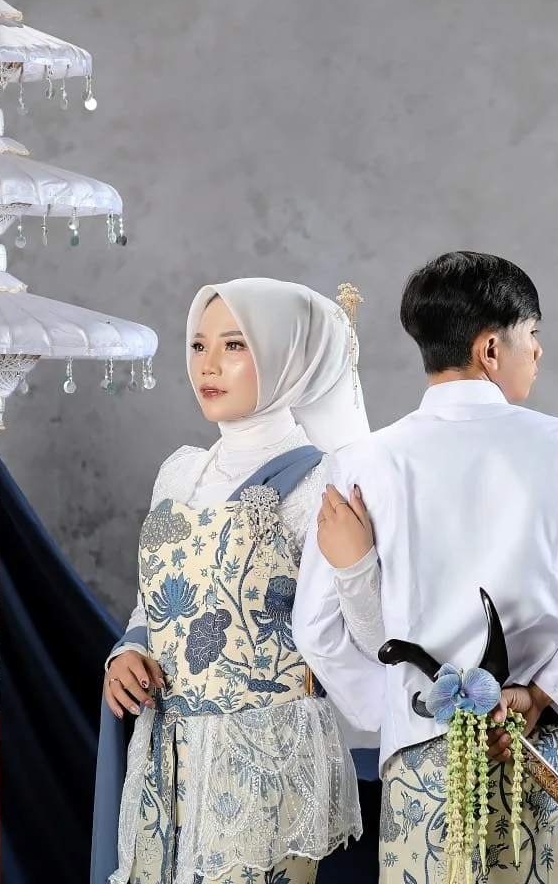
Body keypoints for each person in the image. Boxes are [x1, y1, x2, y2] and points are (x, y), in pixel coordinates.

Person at [292, 251, 558, 884]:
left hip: (422, 768)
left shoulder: (359, 464)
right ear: (491, 349)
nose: (539, 351)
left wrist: (402, 711)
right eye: (533, 333)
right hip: (540, 752)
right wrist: (544, 693)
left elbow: (317, 626)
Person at [90, 278, 375, 884]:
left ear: (285, 357)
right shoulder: (179, 472)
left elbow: (366, 634)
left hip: (266, 759)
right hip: (168, 754)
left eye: (235, 345)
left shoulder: (322, 480)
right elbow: (154, 602)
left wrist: (358, 566)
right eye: (198, 345)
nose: (208, 365)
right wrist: (129, 652)